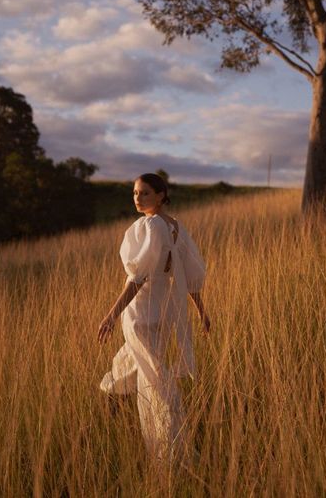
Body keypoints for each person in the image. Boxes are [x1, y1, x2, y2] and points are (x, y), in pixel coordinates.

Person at [98, 172, 210, 460]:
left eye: (145, 193)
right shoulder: (174, 226)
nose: (138, 198)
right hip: (154, 315)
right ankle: (159, 441)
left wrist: (111, 315)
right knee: (151, 376)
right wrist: (200, 309)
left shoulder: (151, 225)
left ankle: (170, 449)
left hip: (144, 315)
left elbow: (137, 278)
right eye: (135, 193)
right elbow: (189, 275)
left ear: (161, 195)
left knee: (153, 379)